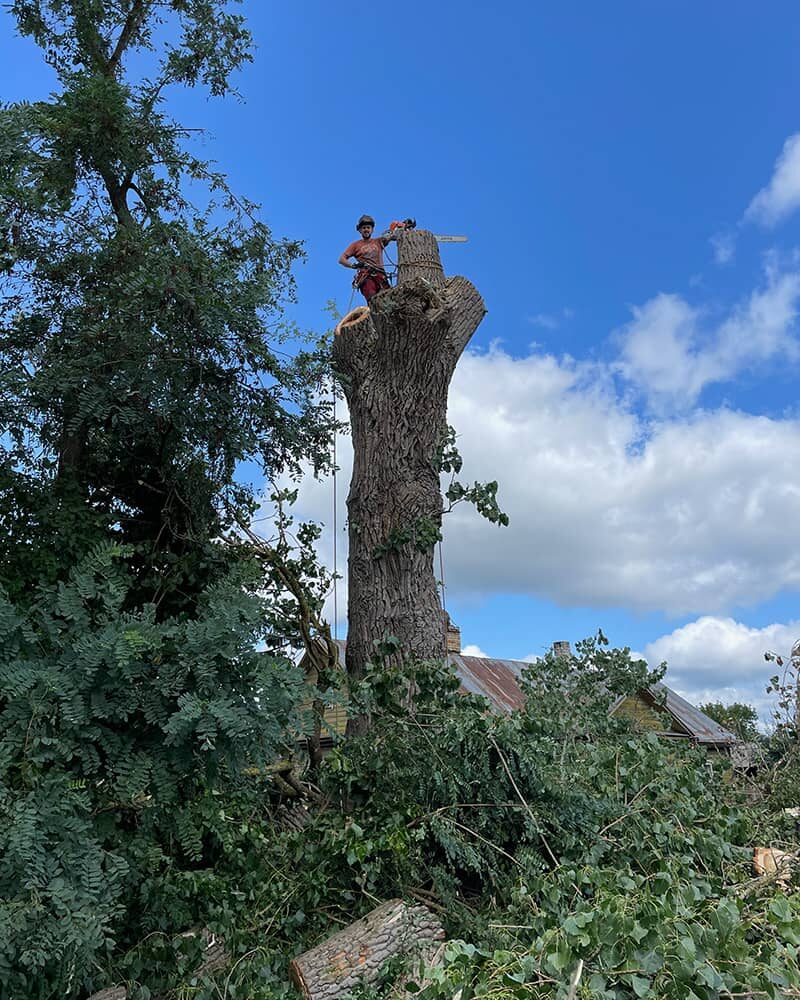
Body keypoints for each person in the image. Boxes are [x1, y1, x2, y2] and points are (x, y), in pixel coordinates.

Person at [338, 214, 402, 304]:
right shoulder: (356, 245)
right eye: (364, 228)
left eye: (368, 227)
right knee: (373, 299)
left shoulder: (379, 241)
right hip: (367, 276)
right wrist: (354, 265)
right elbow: (342, 259)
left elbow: (392, 235)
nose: (366, 230)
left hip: (380, 275)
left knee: (389, 298)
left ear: (372, 229)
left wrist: (402, 226)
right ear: (360, 230)